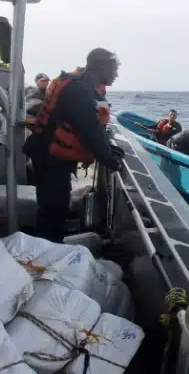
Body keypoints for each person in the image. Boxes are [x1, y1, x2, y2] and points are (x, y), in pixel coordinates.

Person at [24, 49, 124, 242]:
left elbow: (93, 127)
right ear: (100, 67)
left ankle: (49, 248)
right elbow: (89, 130)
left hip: (51, 154)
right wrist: (111, 160)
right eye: (114, 69)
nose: (116, 74)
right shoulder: (78, 90)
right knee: (53, 211)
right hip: (50, 157)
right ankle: (47, 253)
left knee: (55, 208)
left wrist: (109, 149)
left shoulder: (83, 86)